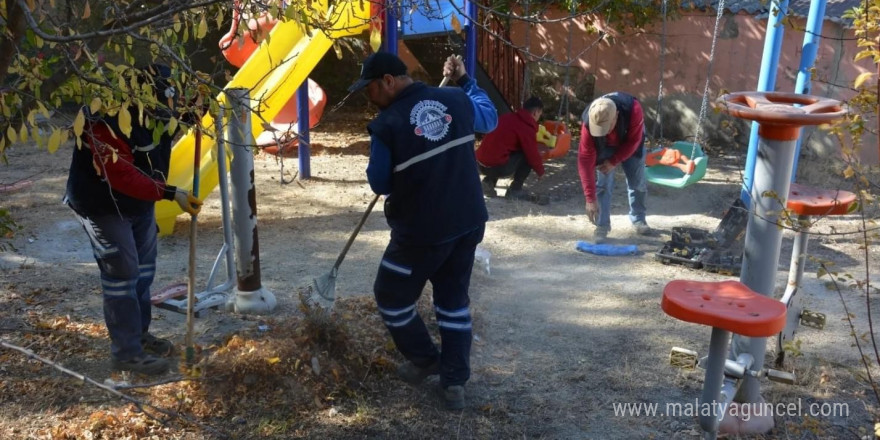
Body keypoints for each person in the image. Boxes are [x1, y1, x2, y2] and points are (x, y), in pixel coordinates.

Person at [348, 52, 497, 410]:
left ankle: (426, 360)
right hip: (467, 223)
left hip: (421, 233)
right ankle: (454, 382)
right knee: (453, 302)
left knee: (391, 297)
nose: (368, 98)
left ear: (387, 81)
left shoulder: (387, 124)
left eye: (369, 89)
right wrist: (465, 80)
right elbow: (489, 118)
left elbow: (379, 182)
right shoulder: (455, 99)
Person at [64, 64, 203, 375]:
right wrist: (169, 192)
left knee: (143, 269)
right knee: (122, 273)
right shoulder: (102, 120)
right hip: (102, 203)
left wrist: (206, 107)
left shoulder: (160, 107)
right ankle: (126, 352)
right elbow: (121, 174)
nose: (167, 109)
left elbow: (182, 117)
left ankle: (139, 335)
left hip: (140, 202)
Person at [578, 92, 650, 243]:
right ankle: (602, 225)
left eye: (606, 127)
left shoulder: (633, 109)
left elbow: (634, 141)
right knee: (603, 184)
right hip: (605, 146)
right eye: (598, 128)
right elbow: (585, 160)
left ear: (616, 115)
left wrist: (614, 161)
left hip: (630, 141)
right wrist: (590, 198)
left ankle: (638, 218)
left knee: (637, 181)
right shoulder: (588, 122)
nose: (602, 132)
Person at [476, 96, 546, 203]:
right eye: (540, 114)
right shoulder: (526, 127)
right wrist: (540, 171)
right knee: (526, 155)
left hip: (480, 163)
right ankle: (515, 190)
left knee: (501, 150)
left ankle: (488, 182)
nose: (538, 118)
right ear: (536, 112)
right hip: (497, 167)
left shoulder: (506, 117)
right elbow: (532, 154)